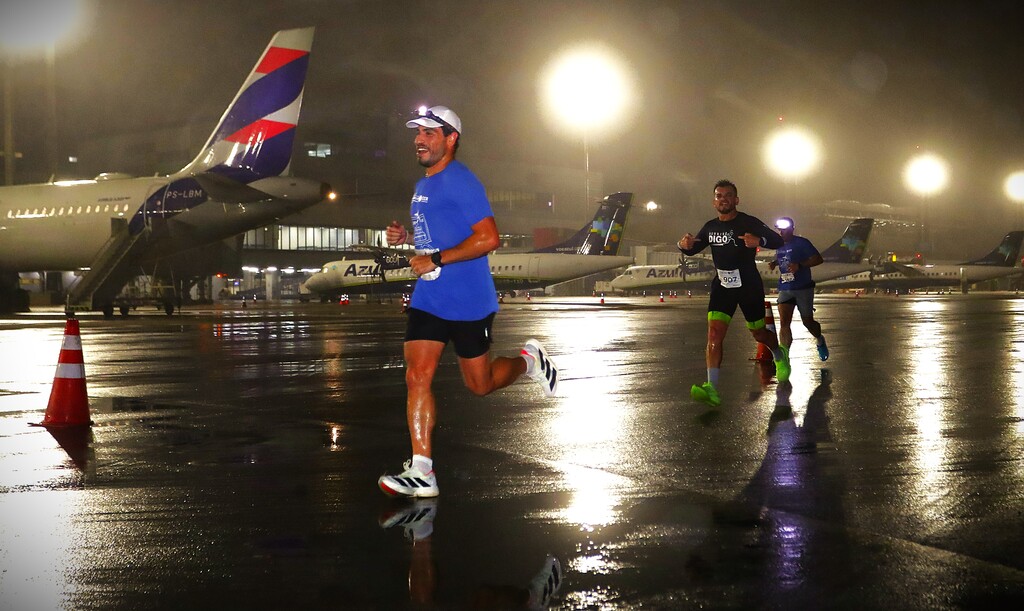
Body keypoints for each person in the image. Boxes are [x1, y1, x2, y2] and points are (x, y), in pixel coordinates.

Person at [378, 105, 559, 498]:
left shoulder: (461, 180)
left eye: (429, 132)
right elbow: (439, 236)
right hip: (430, 297)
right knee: (416, 375)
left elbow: (488, 238)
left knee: (481, 384)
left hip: (468, 301)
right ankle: (423, 470)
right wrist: (407, 238)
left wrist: (436, 258)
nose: (419, 139)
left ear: (450, 138)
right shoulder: (424, 183)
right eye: (418, 133)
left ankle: (529, 361)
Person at [677, 179, 789, 407]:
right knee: (714, 335)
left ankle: (778, 354)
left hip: (748, 286)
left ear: (736, 200)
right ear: (714, 201)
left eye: (728, 195)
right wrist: (683, 245)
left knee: (759, 334)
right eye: (719, 196)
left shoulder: (747, 222)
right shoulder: (710, 227)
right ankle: (712, 388)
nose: (723, 199)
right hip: (722, 287)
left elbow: (777, 240)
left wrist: (760, 240)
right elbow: (692, 249)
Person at [768, 217, 829, 361]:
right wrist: (775, 263)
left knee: (808, 322)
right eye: (780, 230)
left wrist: (800, 265)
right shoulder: (779, 245)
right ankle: (785, 358)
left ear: (792, 229)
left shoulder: (802, 243)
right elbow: (785, 258)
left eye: (785, 229)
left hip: (803, 288)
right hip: (785, 287)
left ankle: (820, 339)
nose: (782, 232)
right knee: (784, 323)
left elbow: (818, 259)